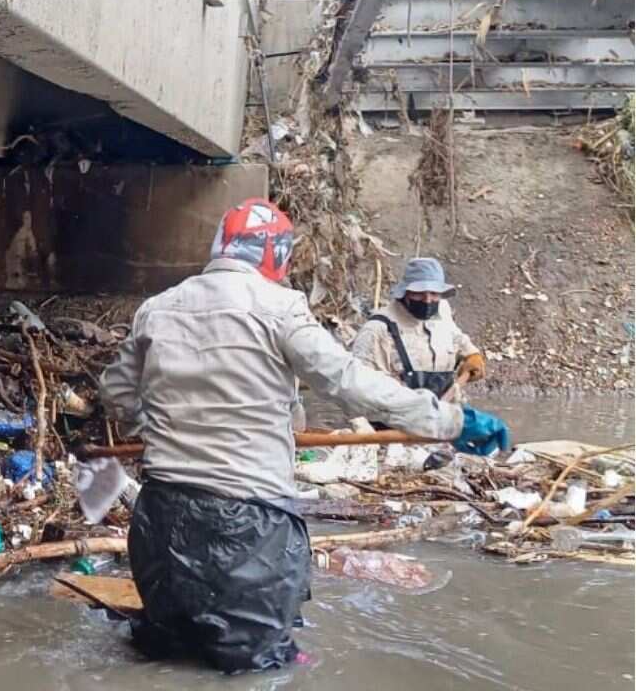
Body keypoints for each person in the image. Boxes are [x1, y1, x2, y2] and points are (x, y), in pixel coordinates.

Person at [98, 198, 508, 673]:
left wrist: (151, 430)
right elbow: (349, 383)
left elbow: (116, 391)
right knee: (262, 670)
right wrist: (451, 422)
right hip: (247, 525)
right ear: (277, 255)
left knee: (168, 653)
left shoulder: (158, 308)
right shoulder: (281, 308)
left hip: (159, 520)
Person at [352, 257, 485, 402]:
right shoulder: (378, 330)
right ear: (405, 292)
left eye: (434, 293)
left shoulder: (442, 313)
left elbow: (459, 340)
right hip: (395, 418)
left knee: (491, 425)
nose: (427, 300)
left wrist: (473, 357)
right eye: (419, 293)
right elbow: (361, 389)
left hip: (444, 413)